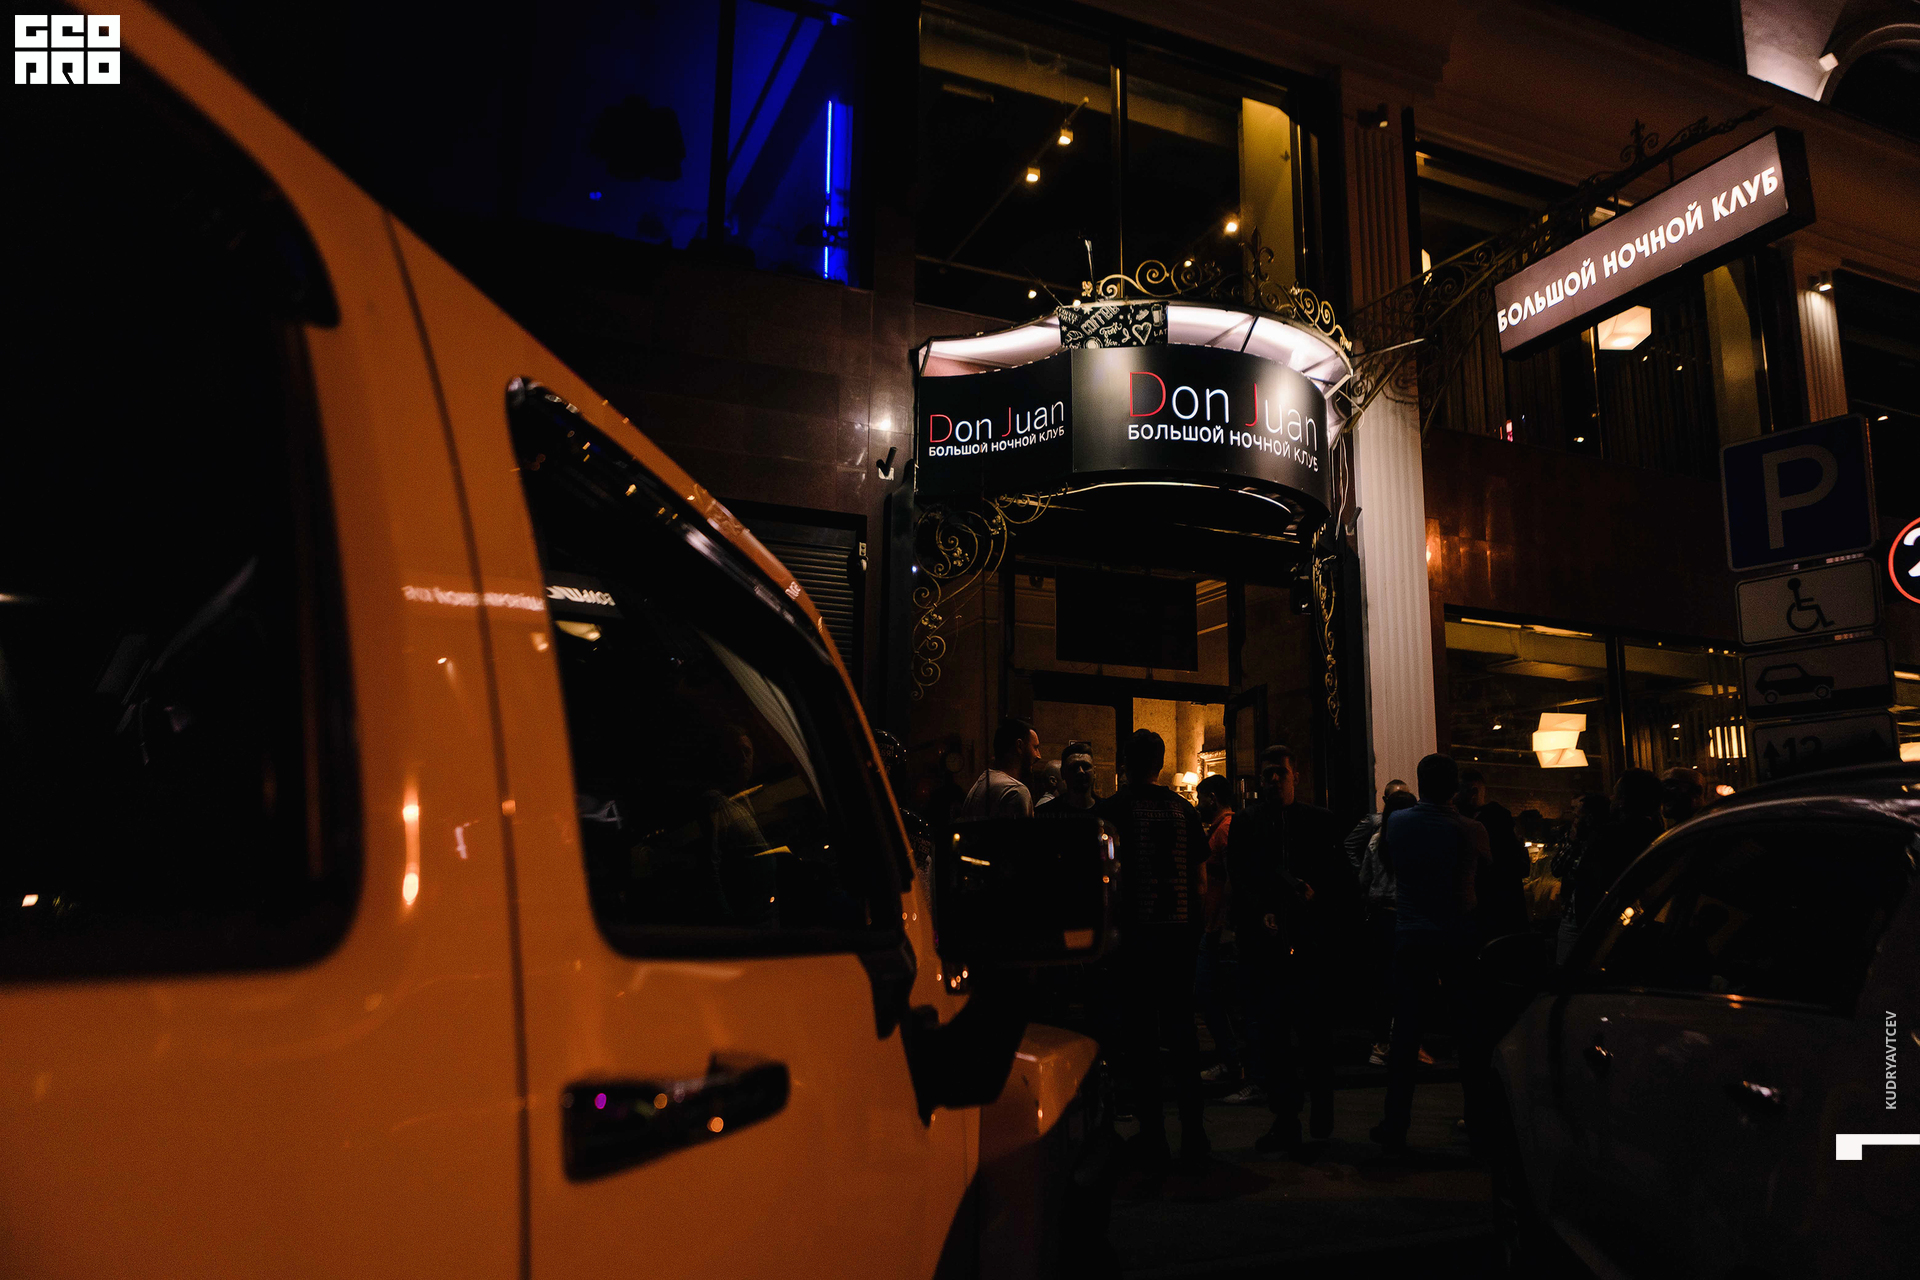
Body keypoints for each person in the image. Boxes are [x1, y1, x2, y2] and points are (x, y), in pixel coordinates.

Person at [1226, 744, 1356, 1151]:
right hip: (1274, 947)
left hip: (1307, 944)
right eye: (1268, 774)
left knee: (1309, 1033)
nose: (1273, 780)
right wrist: (1261, 911)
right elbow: (1239, 877)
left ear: (1294, 775)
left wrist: (1315, 897)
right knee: (1279, 1037)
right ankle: (1294, 1115)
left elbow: (1340, 877)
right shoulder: (1251, 822)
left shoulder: (1314, 822)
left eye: (1279, 772)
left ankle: (1307, 1111)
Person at [1094, 729, 1210, 1173]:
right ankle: (1195, 1134)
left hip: (1135, 944)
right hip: (1177, 941)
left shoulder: (1112, 810)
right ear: (1160, 764)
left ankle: (1154, 1136)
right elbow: (1200, 883)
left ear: (1126, 761)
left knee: (1142, 1041)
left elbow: (1103, 880)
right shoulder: (1185, 811)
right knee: (1182, 1037)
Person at [1370, 753, 1490, 1156]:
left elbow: (1392, 863)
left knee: (1406, 1033)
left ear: (1420, 784)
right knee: (1468, 1033)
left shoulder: (1400, 824)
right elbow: (1487, 878)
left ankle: (1395, 1124)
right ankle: (1478, 1120)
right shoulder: (1471, 829)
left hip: (1411, 933)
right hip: (1457, 935)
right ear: (1454, 787)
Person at [1557, 769, 1664, 963]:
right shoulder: (1660, 836)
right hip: (1637, 925)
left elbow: (1590, 886)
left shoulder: (1608, 837)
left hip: (1602, 928)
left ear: (1623, 801)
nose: (1611, 798)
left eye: (1615, 794)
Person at [1357, 787, 1419, 1066]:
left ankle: (1380, 1043)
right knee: (1409, 981)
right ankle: (1407, 1042)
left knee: (1382, 981)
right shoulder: (1416, 841)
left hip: (1381, 917)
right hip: (1408, 917)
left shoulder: (1376, 840)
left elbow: (1364, 880)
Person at [1192, 775, 1245, 1088]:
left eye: (1201, 798)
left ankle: (1234, 1063)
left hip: (1218, 929)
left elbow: (1231, 881)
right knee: (1215, 997)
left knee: (1212, 996)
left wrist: (1223, 924)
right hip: (1215, 927)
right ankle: (1232, 1061)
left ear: (1212, 798)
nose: (1198, 804)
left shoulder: (1225, 830)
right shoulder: (1221, 828)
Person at [1457, 768, 1530, 941]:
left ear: (1472, 792)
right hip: (1505, 908)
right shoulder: (1501, 821)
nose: (1454, 797)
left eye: (1457, 791)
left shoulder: (1483, 824)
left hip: (1488, 906)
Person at [957, 717, 1040, 821]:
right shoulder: (1016, 791)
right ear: (1019, 746)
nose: (1038, 756)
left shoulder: (983, 781)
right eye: (1035, 747)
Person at [1343, 778, 1410, 871]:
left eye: (1405, 798)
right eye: (1396, 799)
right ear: (1386, 800)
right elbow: (1350, 844)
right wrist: (1363, 870)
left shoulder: (1410, 821)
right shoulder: (1375, 821)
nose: (1400, 803)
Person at [1035, 741, 1100, 813]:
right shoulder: (1045, 812)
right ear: (1063, 773)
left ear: (1094, 772)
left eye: (1086, 766)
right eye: (1074, 767)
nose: (1080, 771)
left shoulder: (1107, 810)